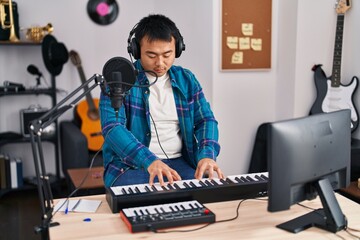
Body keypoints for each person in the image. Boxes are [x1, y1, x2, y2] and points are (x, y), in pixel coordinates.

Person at [100, 14, 223, 187]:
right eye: (151, 55)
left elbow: (206, 120)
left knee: (207, 197)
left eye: (167, 54)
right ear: (135, 50)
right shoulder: (118, 79)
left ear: (178, 49)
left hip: (181, 162)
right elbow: (112, 127)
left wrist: (207, 155)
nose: (160, 63)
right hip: (131, 166)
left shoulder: (186, 79)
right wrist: (149, 160)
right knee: (142, 202)